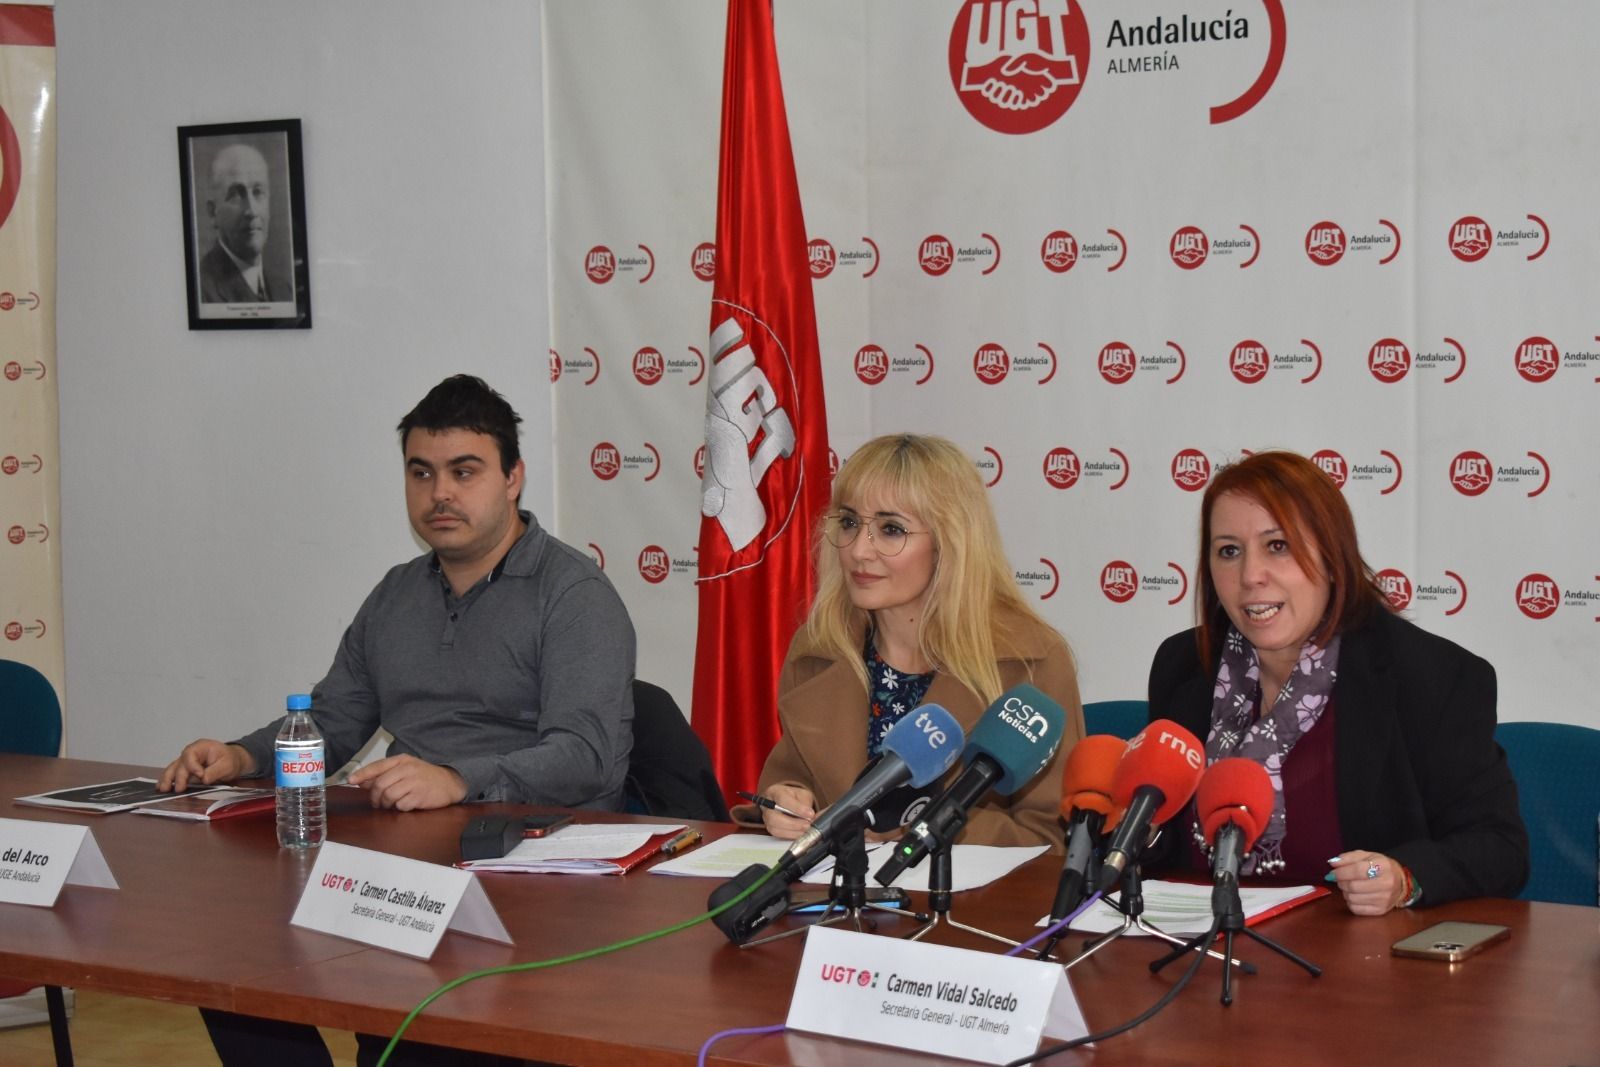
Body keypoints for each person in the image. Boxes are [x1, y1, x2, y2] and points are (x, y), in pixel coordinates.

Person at [159, 374, 635, 1067]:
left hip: (535, 876)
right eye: (422, 473)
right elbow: (335, 719)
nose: (440, 493)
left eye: (463, 471)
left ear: (513, 479)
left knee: (423, 1035)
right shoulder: (396, 593)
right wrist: (242, 754)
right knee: (229, 953)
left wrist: (456, 777)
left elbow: (587, 754)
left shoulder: (573, 595)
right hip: (409, 860)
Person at [1146, 450, 1527, 914]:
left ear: (1330, 556)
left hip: (1353, 964)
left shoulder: (1429, 676)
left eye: (1278, 546)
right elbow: (1159, 849)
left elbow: (1499, 848)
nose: (1250, 576)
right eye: (1229, 551)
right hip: (1198, 947)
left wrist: (1404, 878)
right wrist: (1138, 830)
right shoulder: (1183, 665)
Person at [743, 433, 1084, 851]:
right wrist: (784, 802)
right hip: (834, 899)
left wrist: (929, 826)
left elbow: (1051, 837)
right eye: (849, 522)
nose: (859, 551)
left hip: (969, 908)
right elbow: (793, 778)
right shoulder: (821, 649)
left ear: (949, 543)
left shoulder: (1031, 661)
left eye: (890, 529)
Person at [198, 142, 289, 303]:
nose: (252, 211)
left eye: (258, 192)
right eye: (236, 195)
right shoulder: (201, 292)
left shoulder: (285, 291)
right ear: (213, 213)